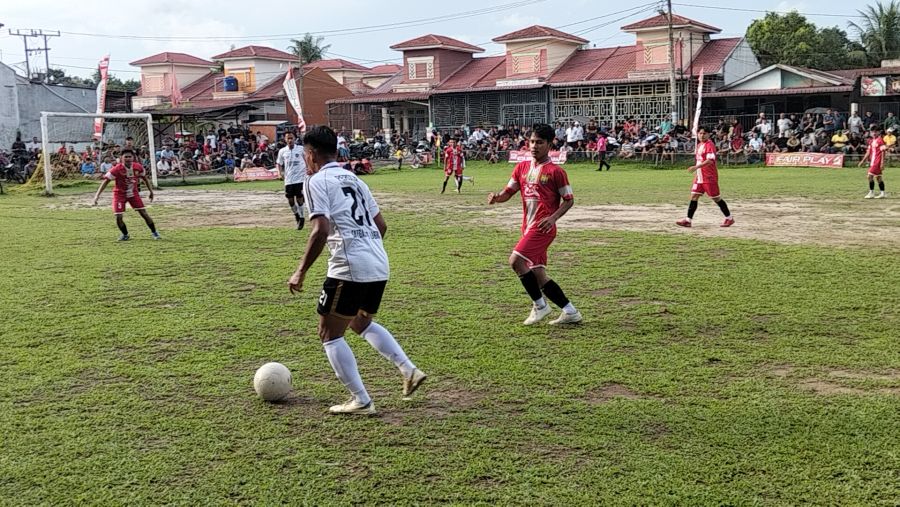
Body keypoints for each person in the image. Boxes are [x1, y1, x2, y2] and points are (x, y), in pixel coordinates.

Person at [287, 126, 426, 415]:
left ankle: (361, 400)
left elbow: (320, 229)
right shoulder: (354, 178)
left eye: (304, 155)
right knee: (359, 322)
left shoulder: (314, 181)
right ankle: (408, 370)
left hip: (349, 267)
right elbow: (382, 225)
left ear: (311, 154)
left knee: (328, 332)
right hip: (378, 262)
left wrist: (300, 271)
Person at [487, 124, 582, 326]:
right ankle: (570, 311)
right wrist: (497, 198)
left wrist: (553, 218)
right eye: (531, 141)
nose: (534, 146)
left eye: (539, 142)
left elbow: (569, 200)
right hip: (527, 227)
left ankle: (540, 305)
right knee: (539, 275)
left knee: (515, 261)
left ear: (549, 144)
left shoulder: (556, 172)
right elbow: (508, 193)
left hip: (543, 227)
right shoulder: (521, 167)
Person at [91, 148, 160, 241]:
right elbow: (105, 181)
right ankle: (125, 234)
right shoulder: (116, 169)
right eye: (126, 157)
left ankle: (155, 233)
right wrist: (97, 196)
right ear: (121, 158)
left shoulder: (138, 167)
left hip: (133, 194)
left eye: (130, 157)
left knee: (143, 213)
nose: (128, 158)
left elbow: (145, 178)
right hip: (119, 195)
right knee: (118, 216)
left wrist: (151, 192)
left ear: (133, 158)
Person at [676, 126, 735, 228]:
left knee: (716, 198)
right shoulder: (699, 145)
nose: (702, 135)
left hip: (709, 177)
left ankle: (729, 218)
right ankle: (688, 220)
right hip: (699, 177)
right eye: (700, 133)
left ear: (708, 134)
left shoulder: (709, 145)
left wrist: (696, 166)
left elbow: (710, 160)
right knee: (694, 196)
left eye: (704, 133)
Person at [276, 132, 307, 230]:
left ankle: (302, 218)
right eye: (288, 138)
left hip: (300, 178)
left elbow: (307, 159)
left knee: (299, 198)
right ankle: (296, 214)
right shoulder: (282, 151)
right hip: (289, 179)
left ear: (295, 139)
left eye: (291, 138)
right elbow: (279, 163)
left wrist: (309, 169)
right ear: (285, 140)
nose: (290, 140)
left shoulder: (301, 149)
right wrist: (279, 173)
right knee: (290, 200)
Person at [860, 125, 887, 199]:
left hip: (877, 162)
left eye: (876, 131)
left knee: (869, 176)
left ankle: (871, 192)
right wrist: (863, 160)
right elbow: (868, 152)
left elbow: (883, 152)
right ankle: (883, 193)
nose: (874, 133)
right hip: (873, 161)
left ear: (879, 132)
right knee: (878, 178)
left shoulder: (880, 140)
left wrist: (882, 162)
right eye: (872, 132)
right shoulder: (871, 141)